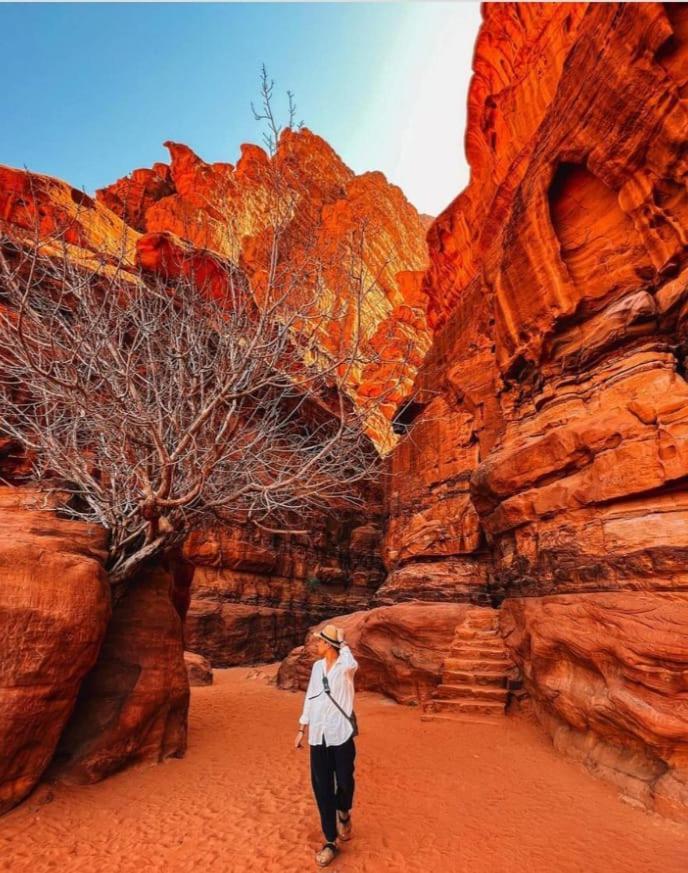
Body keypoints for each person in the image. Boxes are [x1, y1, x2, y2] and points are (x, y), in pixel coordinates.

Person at [295, 623, 358, 867]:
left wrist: (342, 643)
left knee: (344, 781)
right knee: (322, 789)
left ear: (329, 645)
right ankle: (330, 841)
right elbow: (310, 697)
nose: (317, 645)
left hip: (340, 735)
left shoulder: (345, 667)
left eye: (320, 642)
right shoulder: (316, 668)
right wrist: (302, 726)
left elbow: (352, 662)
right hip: (318, 736)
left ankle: (344, 810)